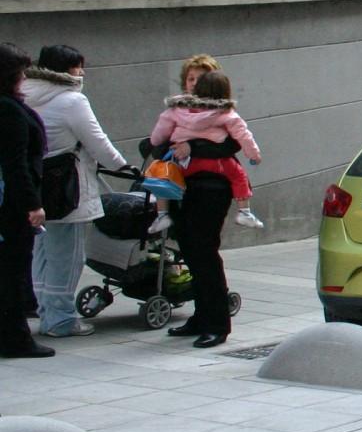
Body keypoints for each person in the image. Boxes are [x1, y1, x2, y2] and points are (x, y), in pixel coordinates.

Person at [22, 46, 127, 338]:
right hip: (67, 190)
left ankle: (45, 312)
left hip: (35, 187)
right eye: (79, 67)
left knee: (41, 254)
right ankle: (61, 320)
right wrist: (123, 166)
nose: (82, 73)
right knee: (67, 258)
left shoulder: (24, 93)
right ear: (68, 70)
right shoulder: (72, 100)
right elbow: (98, 142)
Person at [152, 71, 259, 349]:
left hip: (211, 189)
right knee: (190, 251)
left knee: (204, 252)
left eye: (197, 80)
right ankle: (201, 317)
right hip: (182, 186)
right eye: (189, 79)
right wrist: (176, 146)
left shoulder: (224, 115)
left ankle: (217, 323)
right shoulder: (180, 112)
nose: (192, 84)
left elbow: (230, 146)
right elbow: (155, 144)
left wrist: (193, 146)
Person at [147, 71, 263, 236]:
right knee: (238, 174)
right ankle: (244, 212)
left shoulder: (178, 110)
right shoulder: (225, 113)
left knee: (164, 179)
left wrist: (156, 142)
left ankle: (162, 215)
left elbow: (160, 131)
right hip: (214, 164)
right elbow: (243, 135)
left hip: (182, 163)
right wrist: (254, 155)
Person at [0, 43, 53, 358]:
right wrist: (33, 204)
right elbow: (15, 163)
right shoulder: (8, 109)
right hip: (11, 205)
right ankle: (15, 337)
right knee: (14, 272)